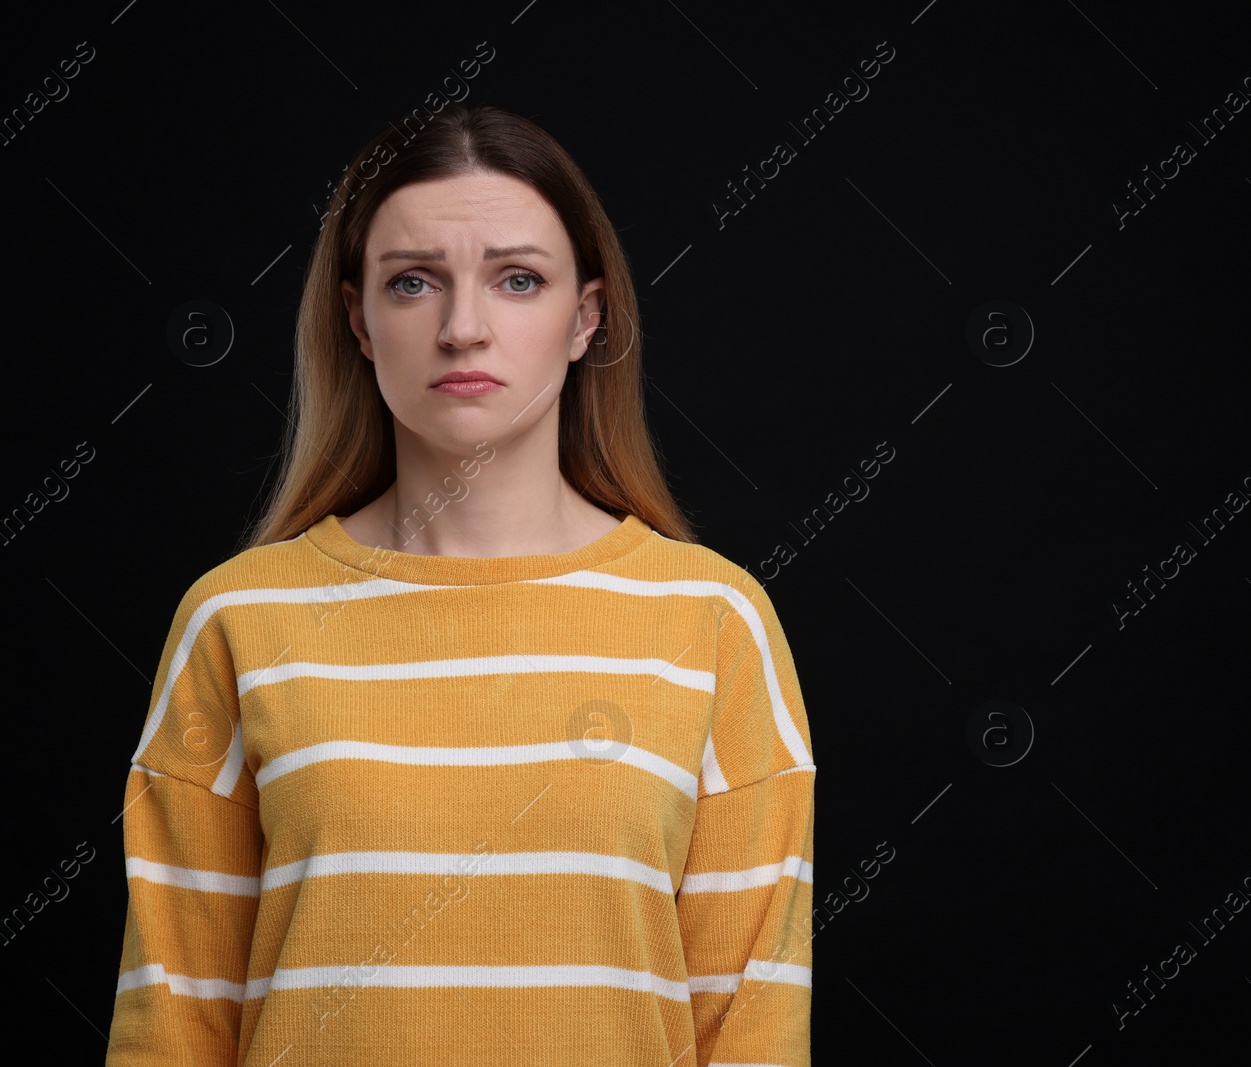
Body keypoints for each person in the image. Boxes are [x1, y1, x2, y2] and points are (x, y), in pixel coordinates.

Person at [104, 104, 815, 1067]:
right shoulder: (237, 621)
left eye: (517, 279)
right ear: (357, 318)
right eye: (413, 283)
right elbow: (174, 1024)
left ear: (587, 318)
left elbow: (753, 1033)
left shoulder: (715, 622)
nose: (463, 328)